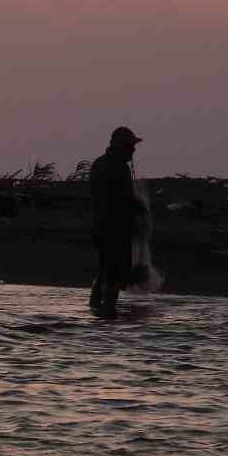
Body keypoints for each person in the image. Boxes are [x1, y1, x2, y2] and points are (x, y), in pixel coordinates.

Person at [88, 126, 147, 318]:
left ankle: (95, 308)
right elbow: (124, 199)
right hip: (115, 230)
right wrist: (140, 208)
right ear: (121, 146)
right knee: (112, 272)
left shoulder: (98, 164)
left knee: (104, 269)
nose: (133, 150)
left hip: (99, 228)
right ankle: (108, 312)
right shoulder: (119, 168)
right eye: (130, 146)